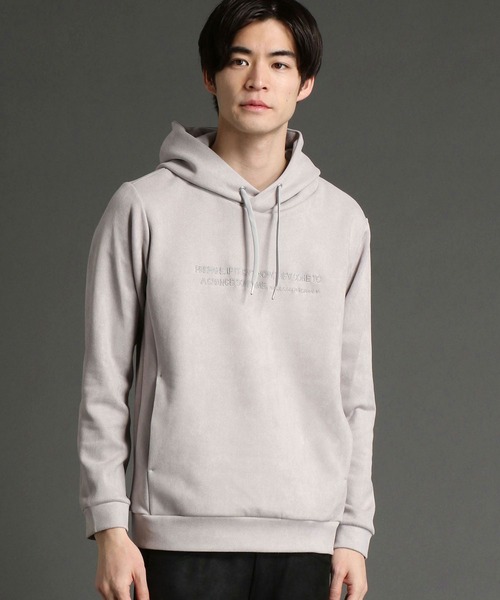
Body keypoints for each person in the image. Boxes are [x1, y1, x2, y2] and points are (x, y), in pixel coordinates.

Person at [77, 0, 376, 598]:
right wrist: (109, 525)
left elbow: (354, 393)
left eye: (280, 64)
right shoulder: (143, 207)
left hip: (310, 541)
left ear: (305, 83)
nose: (258, 79)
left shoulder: (343, 221)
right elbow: (104, 382)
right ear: (210, 76)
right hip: (175, 537)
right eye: (239, 60)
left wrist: (354, 531)